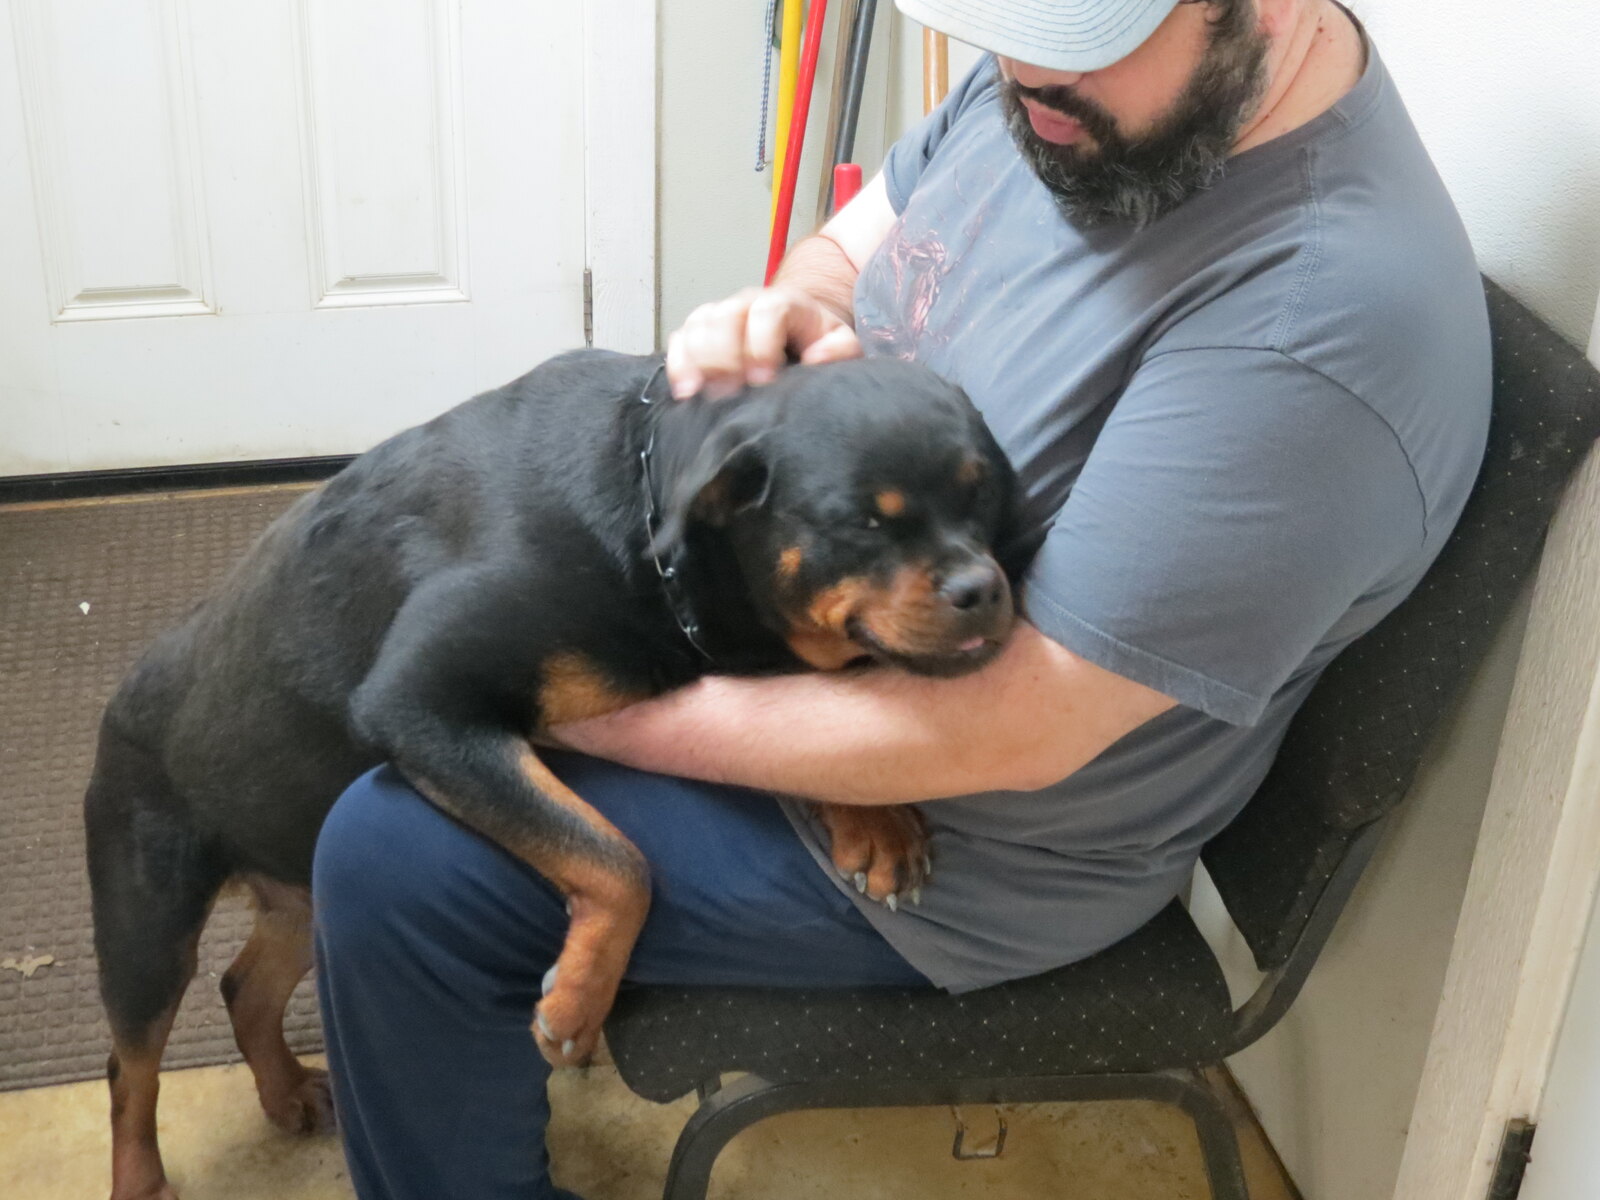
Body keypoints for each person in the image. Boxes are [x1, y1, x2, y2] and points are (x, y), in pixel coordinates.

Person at [311, 0, 1490, 1196]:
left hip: (964, 848)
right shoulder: (1065, 94)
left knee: (397, 854)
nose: (1020, 68)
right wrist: (798, 315)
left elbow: (1016, 729)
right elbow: (843, 256)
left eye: (1085, 32)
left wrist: (551, 702)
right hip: (834, 652)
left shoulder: (1310, 332)